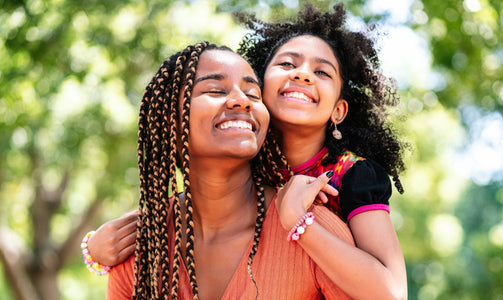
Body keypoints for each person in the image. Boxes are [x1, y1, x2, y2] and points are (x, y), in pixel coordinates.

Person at [87, 3, 408, 299]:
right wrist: (95, 249)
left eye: (322, 72)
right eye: (286, 64)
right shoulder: (244, 165)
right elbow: (189, 203)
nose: (302, 75)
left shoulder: (352, 176)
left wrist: (299, 222)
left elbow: (391, 291)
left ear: (338, 111)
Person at [106, 41, 354, 299]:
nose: (242, 101)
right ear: (170, 122)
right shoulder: (140, 246)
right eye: (214, 90)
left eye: (253, 94)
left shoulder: (312, 230)